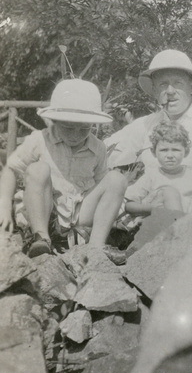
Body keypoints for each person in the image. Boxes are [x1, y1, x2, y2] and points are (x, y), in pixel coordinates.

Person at [0, 79, 127, 260]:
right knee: (38, 169)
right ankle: (41, 238)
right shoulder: (40, 140)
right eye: (68, 128)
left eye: (84, 129)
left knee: (116, 179)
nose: (76, 136)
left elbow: (101, 184)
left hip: (79, 213)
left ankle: (95, 247)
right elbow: (11, 169)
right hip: (46, 212)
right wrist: (4, 203)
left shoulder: (97, 147)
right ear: (55, 121)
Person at [105, 49, 192, 217]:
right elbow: (106, 151)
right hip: (152, 212)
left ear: (191, 87)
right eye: (163, 85)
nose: (170, 91)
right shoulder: (149, 123)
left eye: (177, 83)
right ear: (154, 90)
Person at [120, 121, 192, 229]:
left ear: (186, 152)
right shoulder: (151, 176)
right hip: (157, 223)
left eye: (176, 150)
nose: (170, 155)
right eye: (164, 150)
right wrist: (150, 208)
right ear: (154, 152)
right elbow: (129, 205)